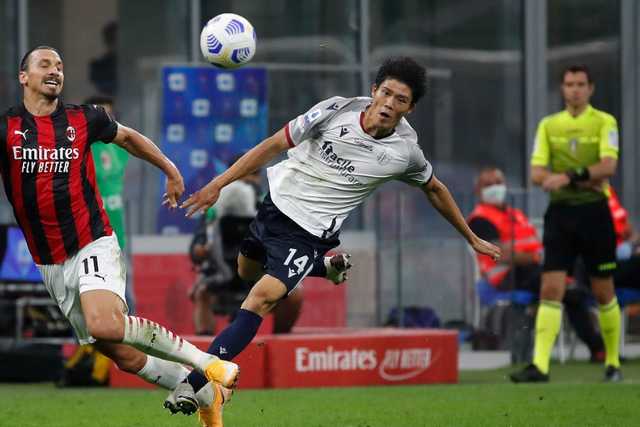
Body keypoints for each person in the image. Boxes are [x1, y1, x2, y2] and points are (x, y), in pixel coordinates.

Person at [167, 57, 501, 425]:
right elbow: (274, 144)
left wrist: (471, 237)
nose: (389, 104)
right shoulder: (335, 110)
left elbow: (435, 189)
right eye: (386, 93)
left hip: (309, 233)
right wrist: (218, 184)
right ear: (373, 91)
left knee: (259, 299)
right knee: (246, 270)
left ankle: (194, 383)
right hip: (273, 207)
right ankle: (323, 268)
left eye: (400, 99)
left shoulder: (405, 152)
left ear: (410, 108)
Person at [0, 46, 238, 406]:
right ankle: (206, 394)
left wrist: (170, 169)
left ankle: (207, 363)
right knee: (120, 354)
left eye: (59, 66)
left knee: (105, 324)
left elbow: (128, 137)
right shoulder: (7, 128)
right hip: (49, 261)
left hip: (91, 240)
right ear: (24, 77)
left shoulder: (85, 118)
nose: (54, 71)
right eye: (44, 64)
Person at [510, 64, 622, 383]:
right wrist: (583, 178)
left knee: (603, 290)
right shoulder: (549, 125)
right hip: (560, 215)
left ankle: (612, 362)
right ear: (562, 89)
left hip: (595, 214)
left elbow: (608, 166)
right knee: (550, 288)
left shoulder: (604, 121)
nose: (575, 89)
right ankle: (540, 366)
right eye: (570, 84)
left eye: (581, 84)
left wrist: (568, 177)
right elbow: (536, 174)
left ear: (591, 89)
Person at [468, 167, 604, 363]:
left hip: (533, 270)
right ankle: (596, 345)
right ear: (477, 191)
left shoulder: (516, 214)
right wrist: (532, 257)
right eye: (488, 184)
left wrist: (531, 256)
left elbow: (535, 245)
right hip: (506, 277)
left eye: (498, 183)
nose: (495, 188)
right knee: (565, 289)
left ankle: (596, 346)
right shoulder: (480, 218)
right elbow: (499, 253)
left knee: (570, 284)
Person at [188, 166, 305, 335]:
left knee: (294, 294)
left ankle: (280, 341)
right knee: (202, 293)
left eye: (255, 175)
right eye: (246, 175)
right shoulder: (213, 212)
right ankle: (205, 345)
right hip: (221, 277)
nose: (251, 180)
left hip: (261, 275)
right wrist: (200, 250)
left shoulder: (269, 207)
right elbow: (197, 248)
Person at [87, 95, 135, 312]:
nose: (104, 119)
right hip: (88, 237)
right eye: (100, 114)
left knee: (125, 295)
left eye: (108, 114)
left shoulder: (121, 146)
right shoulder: (80, 148)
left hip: (118, 235)